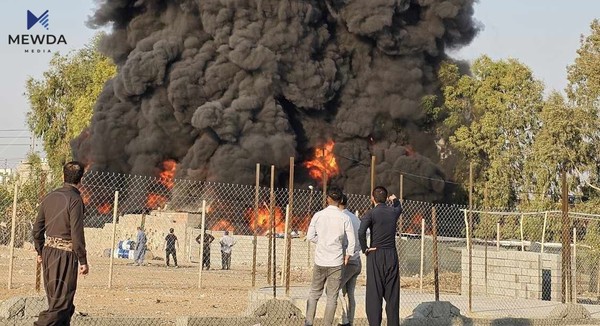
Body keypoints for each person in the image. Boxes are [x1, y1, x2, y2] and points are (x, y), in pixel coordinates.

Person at [32, 161, 89, 326]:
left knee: (62, 305)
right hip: (65, 256)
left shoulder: (49, 197)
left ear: (62, 176)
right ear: (80, 180)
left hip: (49, 254)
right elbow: (77, 234)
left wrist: (40, 251)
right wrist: (83, 260)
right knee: (60, 306)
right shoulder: (75, 200)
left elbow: (37, 230)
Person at [305, 187, 356, 326]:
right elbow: (352, 240)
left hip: (320, 261)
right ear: (340, 200)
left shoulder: (318, 215)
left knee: (314, 294)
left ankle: (308, 323)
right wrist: (348, 255)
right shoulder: (345, 218)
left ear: (327, 199)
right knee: (332, 297)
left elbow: (310, 236)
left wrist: (321, 241)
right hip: (336, 262)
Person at [358, 186, 402, 326]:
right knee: (392, 296)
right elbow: (398, 207)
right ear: (386, 197)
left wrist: (365, 249)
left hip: (375, 254)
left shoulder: (371, 213)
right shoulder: (393, 212)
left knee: (374, 294)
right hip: (391, 254)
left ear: (372, 198)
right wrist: (394, 199)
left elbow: (361, 232)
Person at [338, 194, 362, 326]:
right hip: (357, 260)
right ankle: (350, 321)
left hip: (346, 261)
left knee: (333, 290)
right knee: (350, 293)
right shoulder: (355, 218)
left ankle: (344, 321)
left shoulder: (341, 218)